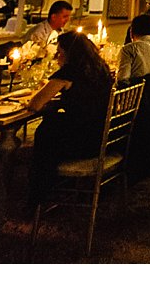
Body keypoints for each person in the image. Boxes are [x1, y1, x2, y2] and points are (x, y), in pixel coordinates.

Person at [26, 30, 115, 209]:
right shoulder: (101, 69)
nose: (58, 56)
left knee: (46, 131)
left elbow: (35, 104)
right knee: (52, 125)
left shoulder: (69, 72)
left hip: (82, 142)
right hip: (102, 137)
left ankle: (40, 193)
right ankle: (57, 185)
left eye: (60, 52)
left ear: (68, 53)